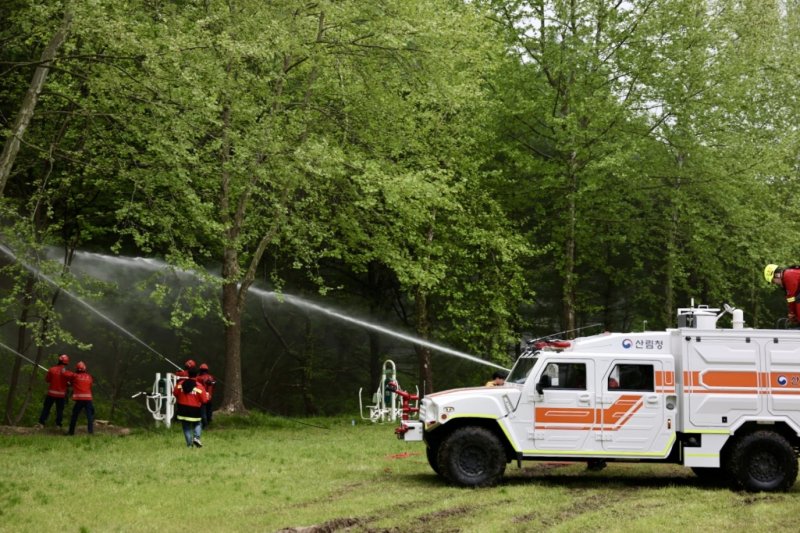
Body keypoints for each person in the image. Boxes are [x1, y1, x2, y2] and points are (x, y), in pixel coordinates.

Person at [173, 366, 208, 448]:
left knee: (186, 427)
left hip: (182, 409)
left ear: (188, 374)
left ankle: (189, 445)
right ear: (197, 375)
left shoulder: (180, 384)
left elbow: (174, 393)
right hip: (195, 410)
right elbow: (204, 401)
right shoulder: (199, 386)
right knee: (198, 423)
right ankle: (196, 437)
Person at [37, 354, 74, 428]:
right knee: (59, 410)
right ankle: (58, 425)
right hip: (61, 395)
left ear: (59, 360)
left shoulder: (52, 369)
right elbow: (71, 383)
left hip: (51, 394)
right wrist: (67, 383)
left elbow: (47, 380)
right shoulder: (67, 373)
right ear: (66, 363)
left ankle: (41, 423)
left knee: (46, 408)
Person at [67, 361, 95, 435]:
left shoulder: (75, 376)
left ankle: (71, 432)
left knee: (74, 415)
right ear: (85, 369)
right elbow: (90, 385)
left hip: (79, 399)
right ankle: (90, 431)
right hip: (88, 399)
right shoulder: (89, 376)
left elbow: (70, 383)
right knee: (89, 415)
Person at [196, 363, 216, 429]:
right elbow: (214, 386)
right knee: (209, 410)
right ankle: (209, 421)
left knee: (203, 411)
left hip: (202, 398)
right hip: (209, 397)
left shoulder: (198, 378)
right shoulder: (211, 377)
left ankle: (205, 425)